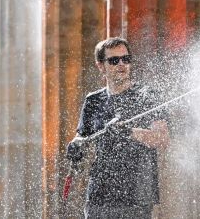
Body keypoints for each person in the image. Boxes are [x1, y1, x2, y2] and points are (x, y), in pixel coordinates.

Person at [66, 37, 169, 219]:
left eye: (126, 59)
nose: (122, 64)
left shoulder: (146, 95)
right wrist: (75, 146)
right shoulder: (93, 101)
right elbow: (81, 137)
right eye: (114, 61)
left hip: (137, 196)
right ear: (101, 66)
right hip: (99, 198)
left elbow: (162, 139)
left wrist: (129, 132)